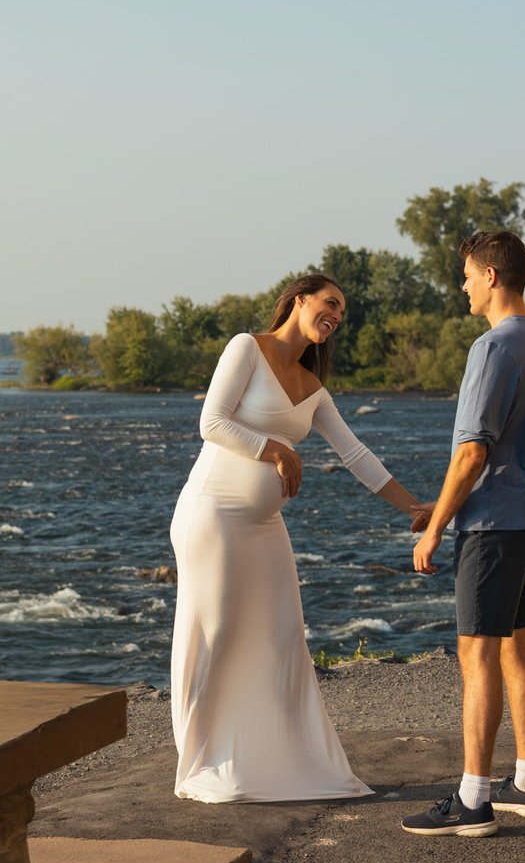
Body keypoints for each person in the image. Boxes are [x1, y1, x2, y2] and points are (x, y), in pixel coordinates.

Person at [169, 273, 426, 803]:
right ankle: (198, 762)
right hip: (212, 515)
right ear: (299, 299)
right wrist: (276, 450)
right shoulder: (247, 347)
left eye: (342, 312)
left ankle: (282, 759)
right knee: (216, 632)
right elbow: (211, 422)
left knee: (283, 635)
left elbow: (355, 454)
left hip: (264, 525)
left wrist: (415, 507)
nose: (336, 315)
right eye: (330, 303)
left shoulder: (313, 388)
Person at [403, 231, 525, 837]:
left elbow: (473, 452)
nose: (463, 285)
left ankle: (473, 799)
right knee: (515, 642)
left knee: (477, 653)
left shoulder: (492, 347)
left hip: (493, 522)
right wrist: (439, 505)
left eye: (468, 275)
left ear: (491, 276)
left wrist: (435, 530)